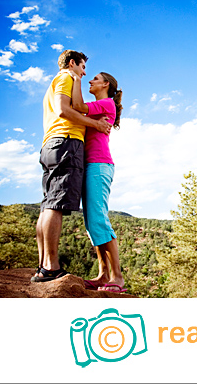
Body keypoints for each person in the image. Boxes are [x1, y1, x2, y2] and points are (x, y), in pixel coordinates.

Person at [31, 50, 112, 283]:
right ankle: (51, 267)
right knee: (56, 204)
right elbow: (64, 110)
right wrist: (95, 124)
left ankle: (43, 265)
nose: (84, 73)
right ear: (72, 63)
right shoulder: (66, 77)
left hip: (51, 144)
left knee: (47, 204)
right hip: (66, 142)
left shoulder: (56, 82)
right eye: (83, 67)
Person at [69, 69, 127, 293]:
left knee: (99, 220)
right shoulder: (101, 106)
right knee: (91, 223)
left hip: (99, 165)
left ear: (105, 85)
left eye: (95, 79)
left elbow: (78, 107)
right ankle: (103, 275)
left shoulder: (107, 104)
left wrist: (76, 78)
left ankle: (117, 277)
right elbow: (79, 111)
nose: (90, 81)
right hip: (90, 165)